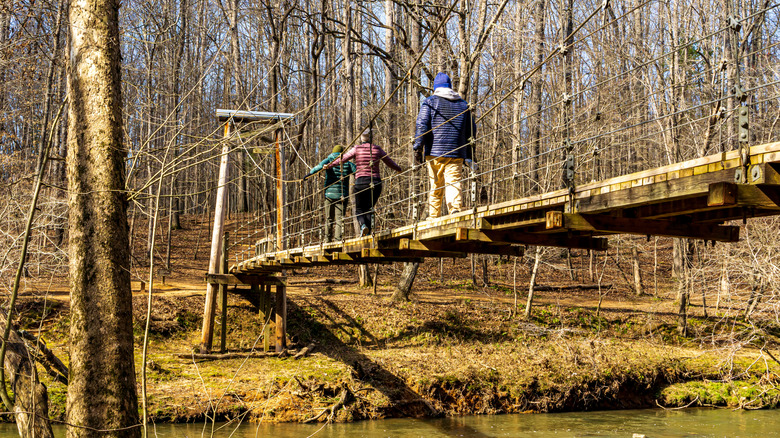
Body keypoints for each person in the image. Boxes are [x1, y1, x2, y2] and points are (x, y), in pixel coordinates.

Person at [413, 72, 476, 219]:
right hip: (456, 152)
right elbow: (471, 130)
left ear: (436, 87)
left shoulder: (430, 102)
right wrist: (469, 154)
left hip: (434, 152)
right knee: (453, 182)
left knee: (436, 184)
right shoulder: (463, 104)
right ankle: (454, 210)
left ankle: (434, 215)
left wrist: (418, 147)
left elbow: (422, 125)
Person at [327, 129, 402, 237]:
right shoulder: (377, 149)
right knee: (369, 207)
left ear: (361, 139)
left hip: (361, 182)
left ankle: (363, 226)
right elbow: (389, 161)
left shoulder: (357, 149)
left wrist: (329, 165)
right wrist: (398, 169)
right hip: (375, 182)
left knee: (359, 209)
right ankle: (368, 234)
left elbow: (342, 159)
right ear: (371, 138)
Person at [303, 144, 356, 242]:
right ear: (342, 153)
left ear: (333, 152)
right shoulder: (347, 163)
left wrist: (309, 174)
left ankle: (327, 239)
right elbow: (357, 170)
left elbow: (319, 167)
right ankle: (338, 240)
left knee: (329, 218)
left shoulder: (329, 160)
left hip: (329, 194)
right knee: (340, 219)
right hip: (342, 195)